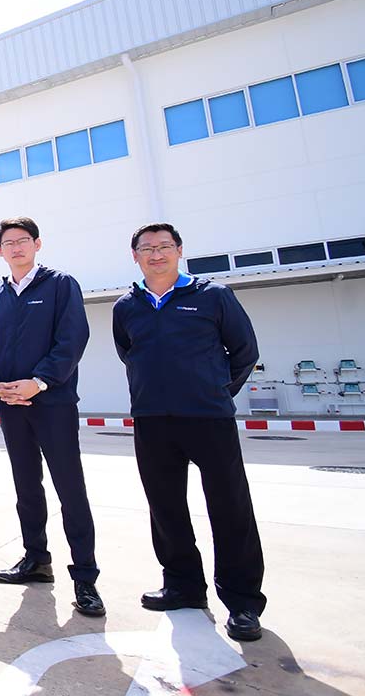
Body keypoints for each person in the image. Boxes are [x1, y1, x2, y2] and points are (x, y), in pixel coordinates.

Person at [113, 222, 265, 642]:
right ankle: (183, 586)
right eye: (147, 248)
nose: (156, 254)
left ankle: (243, 602)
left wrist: (216, 391)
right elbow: (129, 352)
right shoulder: (127, 306)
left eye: (164, 247)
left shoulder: (212, 296)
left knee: (230, 508)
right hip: (152, 420)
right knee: (166, 508)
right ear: (136, 256)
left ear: (179, 251)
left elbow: (245, 352)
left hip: (209, 419)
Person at [0, 217, 104, 616]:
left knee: (70, 488)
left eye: (23, 241)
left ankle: (85, 577)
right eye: (8, 242)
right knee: (26, 486)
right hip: (11, 406)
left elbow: (72, 339)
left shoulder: (60, 285)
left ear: (37, 244)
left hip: (53, 403)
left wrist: (40, 381)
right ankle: (37, 560)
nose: (16, 248)